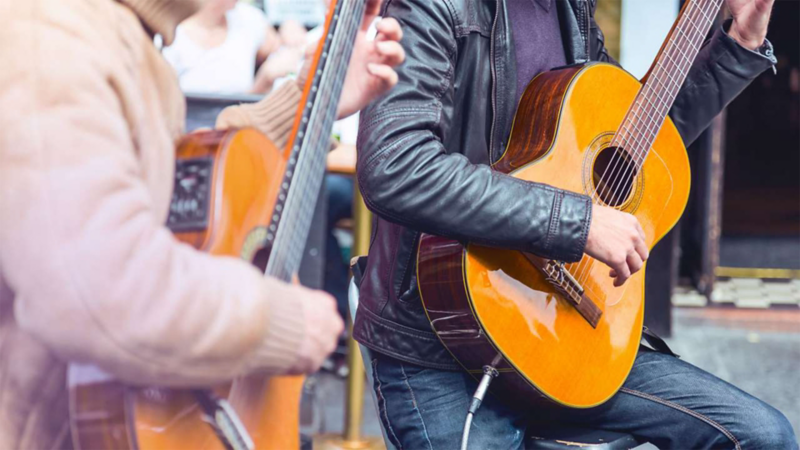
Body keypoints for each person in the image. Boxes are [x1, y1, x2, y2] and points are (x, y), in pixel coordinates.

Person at [354, 0, 797, 448]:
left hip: (567, 332)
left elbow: (638, 145)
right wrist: (580, 223)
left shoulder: (572, 10)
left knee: (762, 436)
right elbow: (394, 165)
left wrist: (739, 44)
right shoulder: (434, 5)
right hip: (445, 343)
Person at [0, 0, 404, 448]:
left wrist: (312, 99)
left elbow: (175, 183)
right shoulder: (53, 33)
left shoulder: (115, 33)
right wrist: (278, 320)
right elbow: (96, 291)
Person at [162, 0, 307, 94]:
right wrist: (263, 80)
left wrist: (288, 26)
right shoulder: (167, 33)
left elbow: (286, 49)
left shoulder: (248, 18)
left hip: (243, 136)